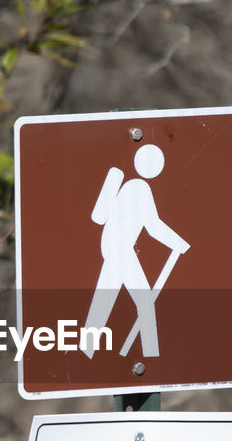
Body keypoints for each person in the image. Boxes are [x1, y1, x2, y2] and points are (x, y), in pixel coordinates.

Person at [81, 143, 190, 358]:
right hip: (119, 249)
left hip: (114, 247)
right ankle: (151, 355)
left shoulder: (132, 186)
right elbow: (152, 226)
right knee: (145, 301)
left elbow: (150, 225)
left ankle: (86, 351)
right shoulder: (139, 188)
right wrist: (178, 243)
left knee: (105, 298)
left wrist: (177, 243)